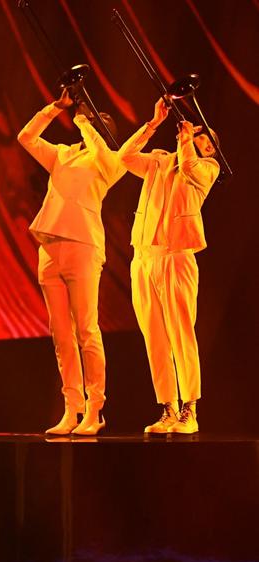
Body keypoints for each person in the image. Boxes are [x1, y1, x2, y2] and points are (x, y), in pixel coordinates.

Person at [17, 89, 127, 436]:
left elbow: (99, 148)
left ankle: (96, 409)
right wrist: (56, 108)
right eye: (89, 122)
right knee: (61, 335)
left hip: (83, 246)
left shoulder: (111, 162)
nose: (88, 125)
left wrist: (84, 123)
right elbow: (26, 137)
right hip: (50, 246)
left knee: (86, 330)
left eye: (95, 124)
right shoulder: (63, 155)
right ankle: (72, 408)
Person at [120, 98, 220, 434]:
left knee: (181, 331)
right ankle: (167, 408)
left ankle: (190, 410)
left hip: (177, 257)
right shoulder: (160, 162)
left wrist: (187, 141)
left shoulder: (207, 169)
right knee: (155, 336)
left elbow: (191, 166)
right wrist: (154, 123)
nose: (201, 140)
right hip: (145, 255)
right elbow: (124, 157)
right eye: (199, 135)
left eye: (207, 140)